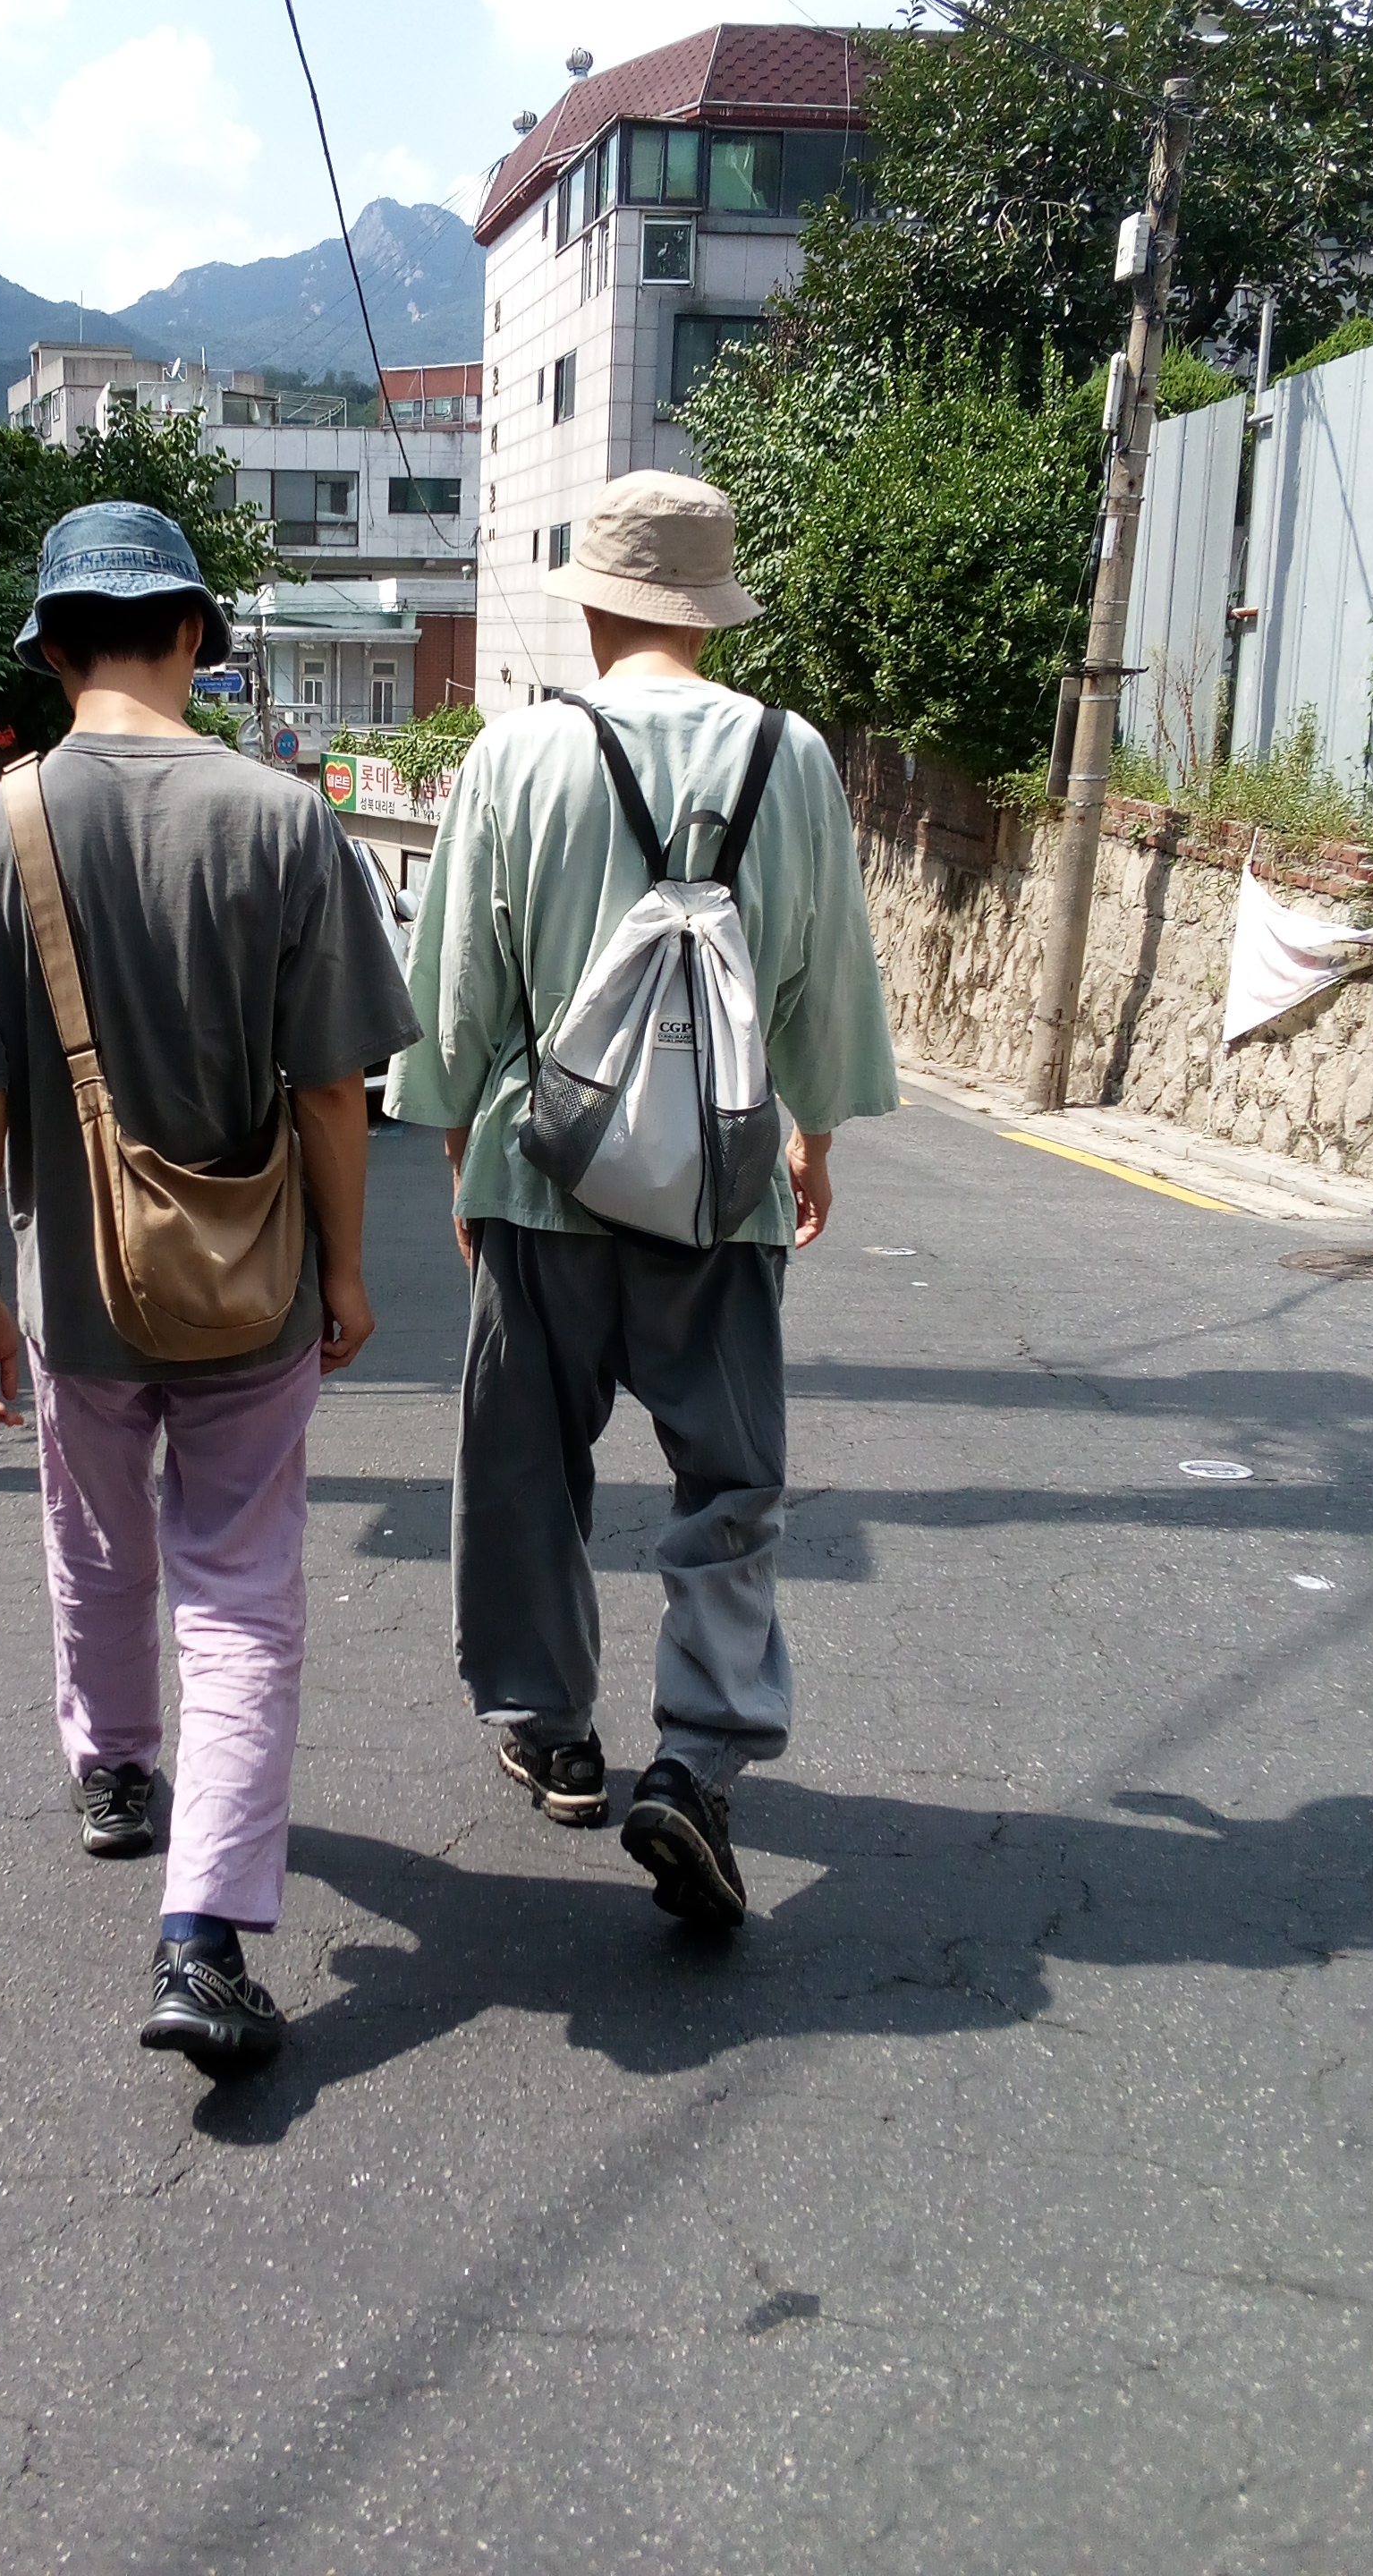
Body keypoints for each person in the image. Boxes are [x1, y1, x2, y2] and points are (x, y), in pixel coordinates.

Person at [0, 501, 420, 2065]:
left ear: (52, 651)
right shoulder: (286, 822)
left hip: (78, 1298)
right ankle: (205, 1938)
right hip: (253, 1290)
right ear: (194, 635)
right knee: (240, 1599)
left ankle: (117, 1773)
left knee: (97, 1544)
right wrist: (346, 1274)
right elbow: (335, 1089)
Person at [385, 470, 897, 1929]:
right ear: (712, 607)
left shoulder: (518, 755)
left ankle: (552, 1730)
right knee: (729, 1480)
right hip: (719, 1190)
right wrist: (812, 1137)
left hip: (542, 1176)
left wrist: (461, 1146)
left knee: (526, 1466)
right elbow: (824, 976)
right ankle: (698, 1761)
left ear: (596, 606)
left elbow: (459, 985)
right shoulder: (792, 757)